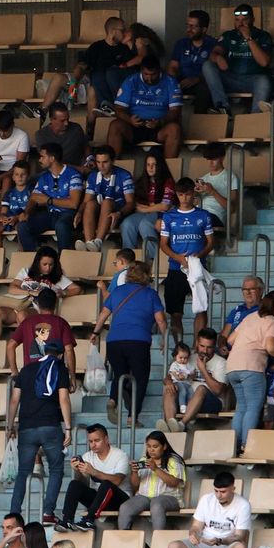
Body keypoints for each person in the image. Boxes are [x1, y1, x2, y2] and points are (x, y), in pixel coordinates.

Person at [7, 336, 74, 525]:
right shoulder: (61, 368)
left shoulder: (27, 369)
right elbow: (64, 399)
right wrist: (68, 428)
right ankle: (47, 512)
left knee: (23, 472)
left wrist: (10, 426)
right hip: (51, 426)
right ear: (60, 354)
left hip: (27, 427)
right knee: (56, 469)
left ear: (44, 352)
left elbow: (14, 400)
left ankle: (14, 514)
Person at [93, 261, 168, 425]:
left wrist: (95, 332)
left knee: (121, 375)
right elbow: (161, 320)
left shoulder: (117, 291)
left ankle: (112, 400)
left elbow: (104, 314)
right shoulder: (150, 294)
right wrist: (165, 337)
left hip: (114, 341)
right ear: (146, 275)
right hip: (138, 341)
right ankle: (131, 418)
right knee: (140, 378)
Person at [158, 178, 216, 339]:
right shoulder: (169, 217)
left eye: (188, 194)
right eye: (181, 194)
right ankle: (179, 349)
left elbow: (211, 242)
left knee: (201, 307)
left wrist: (199, 255)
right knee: (175, 312)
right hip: (176, 269)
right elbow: (163, 244)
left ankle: (198, 347)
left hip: (198, 267)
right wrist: (178, 258)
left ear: (193, 193)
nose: (184, 198)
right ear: (177, 194)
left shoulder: (203, 215)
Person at [167, 471, 251, 548]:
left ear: (233, 489)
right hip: (203, 543)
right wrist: (194, 535)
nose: (218, 495)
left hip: (226, 546)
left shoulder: (243, 504)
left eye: (223, 492)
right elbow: (196, 526)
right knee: (173, 547)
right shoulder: (206, 499)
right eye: (216, 491)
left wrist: (219, 540)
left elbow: (239, 536)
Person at [0, 250, 79, 347]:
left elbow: (77, 289)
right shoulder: (26, 271)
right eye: (45, 264)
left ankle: (28, 348)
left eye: (51, 265)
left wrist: (63, 293)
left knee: (22, 315)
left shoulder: (58, 277)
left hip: (37, 309)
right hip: (19, 304)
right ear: (38, 263)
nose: (48, 268)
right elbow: (12, 289)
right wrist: (30, 292)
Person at [58, 425, 132, 532]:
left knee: (106, 484)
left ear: (106, 439)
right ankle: (67, 521)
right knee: (74, 484)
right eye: (90, 441)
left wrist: (94, 472)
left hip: (120, 501)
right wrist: (77, 471)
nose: (93, 444)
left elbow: (117, 480)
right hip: (98, 500)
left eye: (97, 440)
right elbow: (83, 483)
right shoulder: (87, 456)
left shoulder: (121, 455)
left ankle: (89, 520)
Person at [107, 54, 182, 159]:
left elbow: (175, 111)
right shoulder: (131, 81)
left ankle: (169, 172)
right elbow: (119, 108)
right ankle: (112, 170)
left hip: (160, 126)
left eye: (153, 74)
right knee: (115, 126)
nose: (149, 78)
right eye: (146, 74)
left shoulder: (170, 81)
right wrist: (129, 120)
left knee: (175, 129)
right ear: (141, 70)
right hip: (134, 126)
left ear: (159, 70)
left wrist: (160, 121)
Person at [202, 3, 273, 113]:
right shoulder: (228, 35)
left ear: (253, 20)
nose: (240, 23)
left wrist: (248, 38)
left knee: (264, 81)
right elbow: (214, 53)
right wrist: (218, 58)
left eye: (244, 20)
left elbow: (264, 62)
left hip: (253, 79)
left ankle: (256, 117)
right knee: (207, 65)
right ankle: (222, 107)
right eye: (237, 20)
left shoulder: (263, 36)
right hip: (231, 78)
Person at [18, 143, 84, 252]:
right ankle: (34, 261)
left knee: (61, 225)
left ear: (52, 158)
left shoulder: (73, 175)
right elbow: (34, 198)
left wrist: (48, 200)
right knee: (23, 226)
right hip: (50, 214)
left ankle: (64, 259)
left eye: (42, 156)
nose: (39, 160)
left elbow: (73, 203)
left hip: (68, 214)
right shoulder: (44, 177)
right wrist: (27, 212)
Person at [160, 329, 227, 433]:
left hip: (211, 402)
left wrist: (203, 369)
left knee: (201, 388)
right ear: (196, 343)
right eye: (202, 346)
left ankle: (182, 424)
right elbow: (169, 376)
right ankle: (171, 425)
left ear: (214, 347)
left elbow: (218, 390)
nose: (205, 351)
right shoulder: (188, 357)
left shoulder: (221, 362)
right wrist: (168, 382)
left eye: (209, 347)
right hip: (188, 398)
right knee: (169, 388)